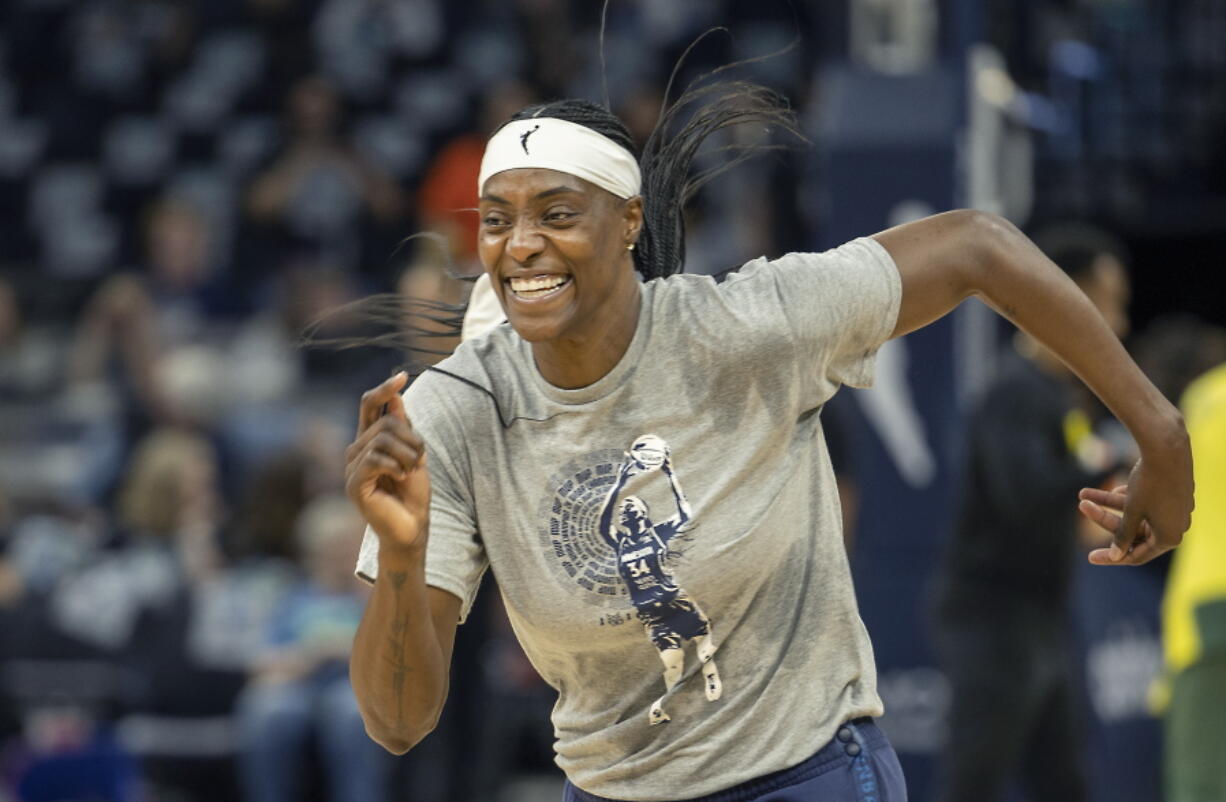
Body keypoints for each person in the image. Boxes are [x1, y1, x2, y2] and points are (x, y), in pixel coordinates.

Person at [342, 85, 1193, 801]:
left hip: (800, 774)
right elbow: (399, 721)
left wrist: (1158, 430)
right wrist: (403, 556)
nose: (520, 243)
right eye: (497, 220)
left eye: (556, 213)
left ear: (629, 220)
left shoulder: (742, 326)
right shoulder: (453, 412)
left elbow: (977, 245)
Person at [930, 223, 1133, 802]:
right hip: (993, 619)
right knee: (976, 780)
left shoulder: (1058, 396)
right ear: (1070, 296)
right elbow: (1028, 492)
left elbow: (1065, 509)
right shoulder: (1014, 391)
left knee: (1061, 781)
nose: (1116, 323)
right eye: (1110, 302)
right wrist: (1115, 458)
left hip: (1041, 616)